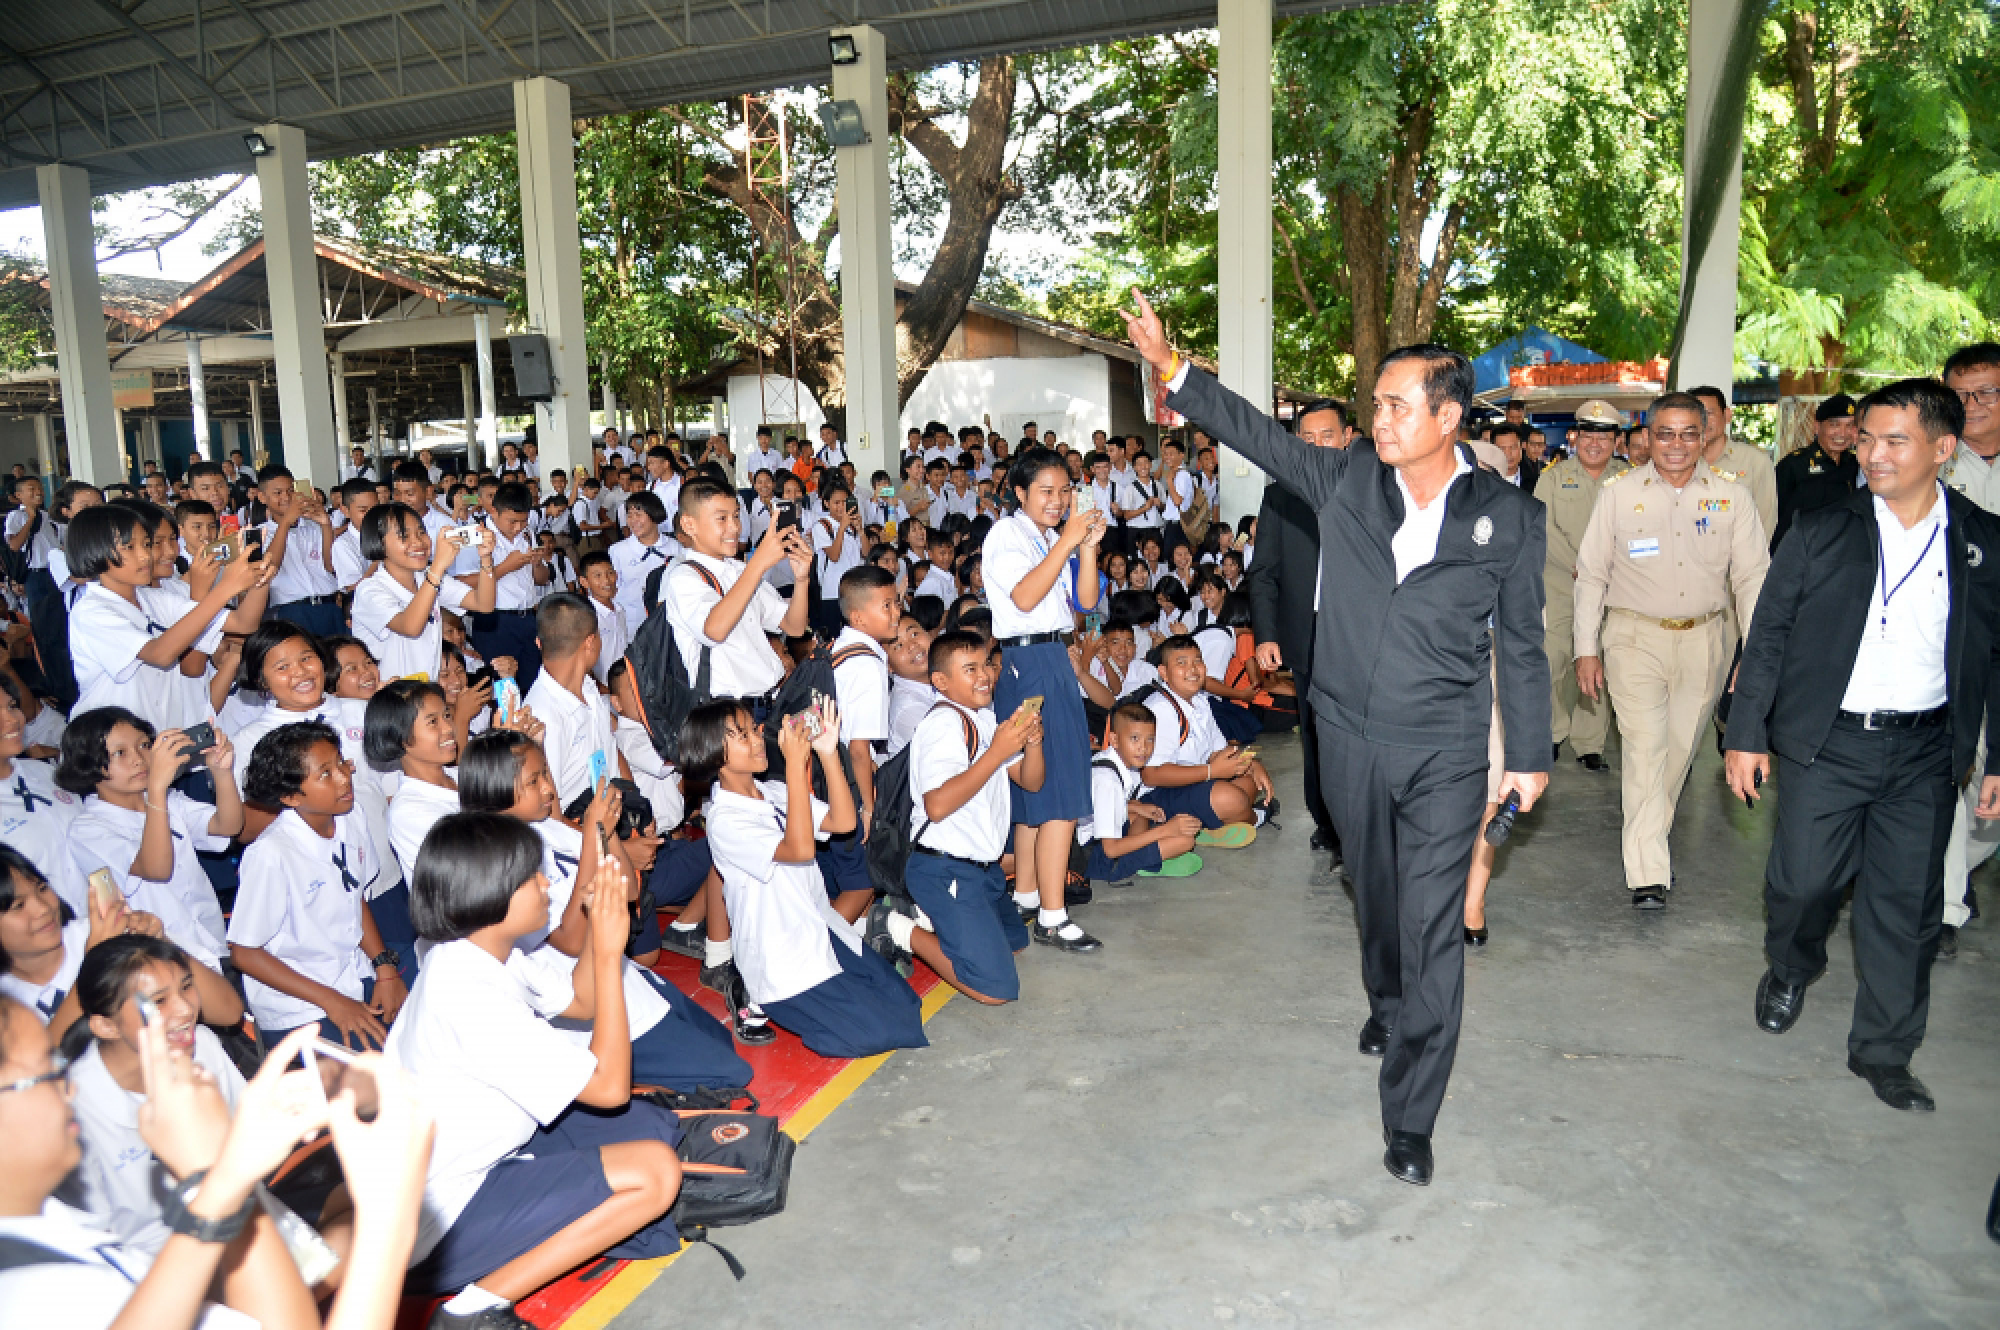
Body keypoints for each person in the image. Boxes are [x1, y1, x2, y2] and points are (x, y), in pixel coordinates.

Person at [1123, 289, 1549, 1187]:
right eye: (1376, 404)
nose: (1377, 419)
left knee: (1434, 923)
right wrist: (1173, 370)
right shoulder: (1347, 478)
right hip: (1349, 734)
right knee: (1379, 898)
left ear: (1447, 415)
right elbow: (1262, 437)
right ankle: (1385, 1000)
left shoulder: (1507, 517)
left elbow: (1522, 643)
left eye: (1396, 405)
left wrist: (1532, 759)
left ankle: (1411, 1113)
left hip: (1444, 745)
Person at [1724, 378, 2000, 1114]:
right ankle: (1791, 963)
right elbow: (1770, 634)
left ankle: (1884, 1052)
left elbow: (1994, 654)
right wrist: (1745, 734)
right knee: (1801, 883)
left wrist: (1995, 754)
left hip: (1926, 753)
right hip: (1829, 743)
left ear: (1942, 449)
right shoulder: (1823, 526)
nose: (1871, 454)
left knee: (1906, 908)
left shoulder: (1980, 539)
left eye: (1893, 441)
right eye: (1868, 438)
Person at [385, 812, 686, 1329]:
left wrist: (597, 921)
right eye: (531, 877)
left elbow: (583, 1001)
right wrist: (612, 951)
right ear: (490, 895)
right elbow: (609, 1088)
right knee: (656, 1174)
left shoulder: (477, 951)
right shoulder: (467, 994)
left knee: (653, 1124)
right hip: (437, 1226)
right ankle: (475, 1304)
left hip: (465, 1165)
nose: (547, 882)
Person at [457, 731, 753, 1089]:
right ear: (496, 789)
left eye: (546, 775)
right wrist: (591, 839)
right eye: (534, 781)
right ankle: (617, 1090)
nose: (549, 790)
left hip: (622, 977)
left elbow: (627, 889)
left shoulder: (549, 827)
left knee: (722, 1044)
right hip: (583, 1007)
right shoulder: (498, 861)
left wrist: (607, 833)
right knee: (729, 1076)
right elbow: (569, 939)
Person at [1572, 392, 1769, 908]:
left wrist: (1756, 651)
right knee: (1643, 750)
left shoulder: (1732, 497)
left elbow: (1751, 580)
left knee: (1678, 754)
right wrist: (1585, 647)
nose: (1677, 444)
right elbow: (1591, 574)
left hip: (1705, 641)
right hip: (1634, 639)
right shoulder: (1618, 494)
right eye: (1666, 433)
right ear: (1647, 437)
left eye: (1688, 433)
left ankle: (1648, 838)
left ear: (1705, 436)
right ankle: (1648, 872)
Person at [684, 697, 927, 1057]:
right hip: (782, 959)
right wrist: (796, 767)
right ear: (713, 753)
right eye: (742, 735)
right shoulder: (725, 820)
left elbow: (843, 823)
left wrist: (828, 753)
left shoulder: (775, 792)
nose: (757, 739)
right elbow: (799, 850)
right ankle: (756, 998)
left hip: (819, 931)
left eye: (754, 729)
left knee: (906, 1005)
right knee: (881, 1032)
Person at [870, 630, 1044, 1003]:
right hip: (945, 868)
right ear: (941, 681)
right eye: (970, 669)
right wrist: (996, 753)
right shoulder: (943, 724)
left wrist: (1033, 744)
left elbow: (1031, 781)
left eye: (985, 665)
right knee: (994, 989)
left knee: (1015, 943)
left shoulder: (983, 717)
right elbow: (936, 805)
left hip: (983, 867)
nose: (984, 675)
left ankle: (936, 918)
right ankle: (896, 927)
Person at [981, 447, 1107, 953]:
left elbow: (1087, 604)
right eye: (1046, 492)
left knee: (1041, 793)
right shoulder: (1007, 535)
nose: (1057, 501)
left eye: (1064, 491)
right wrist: (1067, 543)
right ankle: (1053, 917)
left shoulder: (1050, 537)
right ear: (1019, 493)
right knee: (1057, 792)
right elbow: (1025, 599)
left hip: (1053, 658)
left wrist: (1089, 547)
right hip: (1028, 663)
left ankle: (1029, 895)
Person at [63, 935, 250, 1255]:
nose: (186, 1008)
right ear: (106, 1026)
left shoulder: (202, 1044)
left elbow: (247, 1133)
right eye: (158, 1001)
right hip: (156, 1266)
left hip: (237, 1215)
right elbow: (93, 1239)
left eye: (187, 986)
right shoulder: (75, 1109)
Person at [232, 720, 405, 1050]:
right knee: (375, 1081)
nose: (344, 776)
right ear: (291, 796)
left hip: (353, 976)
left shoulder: (349, 817)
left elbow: (354, 897)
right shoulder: (271, 854)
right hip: (299, 1005)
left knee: (422, 1044)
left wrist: (384, 967)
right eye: (325, 773)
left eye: (341, 762)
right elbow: (243, 952)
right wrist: (333, 1001)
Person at [57, 710, 241, 976]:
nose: (139, 759)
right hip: (162, 960)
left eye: (144, 745)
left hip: (212, 943)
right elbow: (156, 868)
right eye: (120, 753)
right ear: (89, 764)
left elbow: (228, 826)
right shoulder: (88, 829)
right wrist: (156, 788)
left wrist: (221, 772)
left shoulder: (170, 801)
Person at [1247, 398, 1346, 856]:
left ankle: (1361, 821)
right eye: (1308, 438)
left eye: (1327, 436)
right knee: (1316, 732)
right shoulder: (1280, 496)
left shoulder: (1371, 489)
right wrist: (1267, 635)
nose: (1318, 445)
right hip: (1307, 635)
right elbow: (1264, 571)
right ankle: (1325, 821)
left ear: (1346, 439)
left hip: (1359, 634)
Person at [65, 505, 262, 733]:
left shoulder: (154, 598)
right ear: (94, 551)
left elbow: (243, 623)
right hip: (109, 747)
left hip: (158, 736)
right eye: (129, 547)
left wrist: (259, 574)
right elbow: (160, 654)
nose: (144, 556)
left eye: (147, 545)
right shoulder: (91, 611)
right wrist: (225, 588)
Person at [1934, 342, 2000, 955]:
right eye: (1960, 394)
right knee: (1959, 775)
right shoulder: (1932, 460)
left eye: (1986, 392)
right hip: (1955, 649)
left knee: (1991, 801)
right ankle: (1947, 908)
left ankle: (1961, 871)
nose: (1972, 405)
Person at [1534, 399, 1631, 771]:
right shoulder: (1553, 477)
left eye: (1603, 436)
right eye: (1588, 434)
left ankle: (1590, 743)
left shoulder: (1628, 480)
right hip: (1559, 584)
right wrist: (1581, 566)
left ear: (1615, 441)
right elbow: (1542, 527)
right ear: (1575, 437)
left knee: (1600, 661)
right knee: (1551, 658)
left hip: (1612, 588)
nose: (1594, 442)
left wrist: (1605, 571)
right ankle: (1554, 732)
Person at [351, 503, 497, 684]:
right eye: (404, 536)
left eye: (421, 532)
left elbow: (483, 604)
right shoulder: (370, 590)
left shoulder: (426, 577)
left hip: (428, 694)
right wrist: (437, 566)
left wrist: (485, 558)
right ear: (378, 543)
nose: (418, 542)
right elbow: (411, 627)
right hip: (393, 700)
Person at [1079, 702, 1204, 887]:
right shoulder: (1107, 781)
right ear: (1114, 740)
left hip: (1102, 840)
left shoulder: (1110, 761)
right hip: (1098, 858)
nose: (1143, 748)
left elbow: (1096, 806)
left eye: (1150, 739)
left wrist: (1133, 806)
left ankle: (1144, 852)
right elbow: (1111, 850)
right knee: (1185, 841)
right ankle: (1144, 861)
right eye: (1135, 738)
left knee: (1139, 813)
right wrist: (1166, 831)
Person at [522, 594, 623, 810]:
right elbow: (547, 813)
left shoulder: (588, 686)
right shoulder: (541, 716)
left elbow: (611, 750)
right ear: (590, 642)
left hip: (613, 814)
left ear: (539, 643)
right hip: (578, 835)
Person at [0, 675, 83, 910]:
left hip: (107, 920)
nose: (12, 719)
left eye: (11, 706)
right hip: (46, 933)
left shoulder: (47, 773)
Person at [469, 482, 553, 691]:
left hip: (528, 619)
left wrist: (537, 562)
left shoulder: (527, 534)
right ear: (494, 510)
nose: (517, 527)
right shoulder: (475, 535)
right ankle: (503, 724)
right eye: (512, 521)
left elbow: (542, 579)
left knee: (532, 683)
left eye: (523, 521)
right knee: (502, 688)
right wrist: (508, 566)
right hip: (495, 622)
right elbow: (464, 583)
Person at [257, 466, 343, 640]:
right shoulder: (259, 534)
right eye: (278, 492)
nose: (286, 497)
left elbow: (332, 566)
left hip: (329, 606)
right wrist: (286, 522)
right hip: (291, 611)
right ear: (262, 497)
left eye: (290, 490)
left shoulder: (314, 526)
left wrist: (326, 525)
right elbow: (269, 569)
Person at [1771, 394, 1861, 548]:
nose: (1842, 433)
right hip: (1804, 553)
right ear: (1817, 427)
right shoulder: (1794, 465)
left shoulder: (1857, 464)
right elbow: (1775, 516)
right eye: (1834, 425)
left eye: (1850, 426)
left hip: (1846, 551)